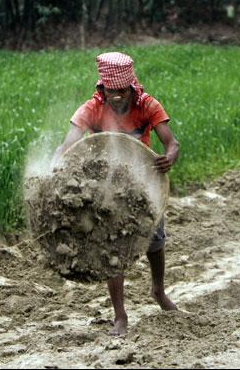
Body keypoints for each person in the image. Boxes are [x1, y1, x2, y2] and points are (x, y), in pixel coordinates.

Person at [53, 52, 179, 336]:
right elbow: (68, 145)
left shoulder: (147, 105)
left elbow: (172, 143)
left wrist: (169, 157)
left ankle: (158, 291)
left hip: (143, 181)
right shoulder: (91, 109)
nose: (118, 96)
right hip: (103, 185)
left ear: (131, 88)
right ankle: (119, 316)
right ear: (103, 89)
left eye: (123, 91)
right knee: (112, 247)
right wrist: (55, 165)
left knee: (155, 240)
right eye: (113, 92)